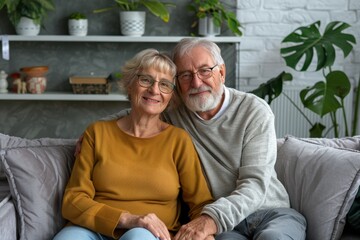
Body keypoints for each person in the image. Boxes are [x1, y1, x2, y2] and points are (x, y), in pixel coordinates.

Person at [80, 38, 307, 239]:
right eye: (185, 75)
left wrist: (209, 220)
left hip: (269, 211)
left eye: (205, 71)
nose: (196, 83)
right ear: (177, 83)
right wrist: (98, 132)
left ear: (222, 72)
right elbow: (139, 109)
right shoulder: (176, 111)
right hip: (226, 227)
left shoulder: (253, 111)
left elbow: (255, 185)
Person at [54, 49, 213, 240]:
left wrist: (204, 234)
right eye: (145, 80)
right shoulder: (97, 133)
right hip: (93, 229)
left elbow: (200, 203)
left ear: (171, 95)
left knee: (138, 236)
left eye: (164, 84)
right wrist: (129, 219)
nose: (154, 90)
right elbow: (73, 201)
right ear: (130, 84)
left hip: (150, 234)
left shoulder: (178, 141)